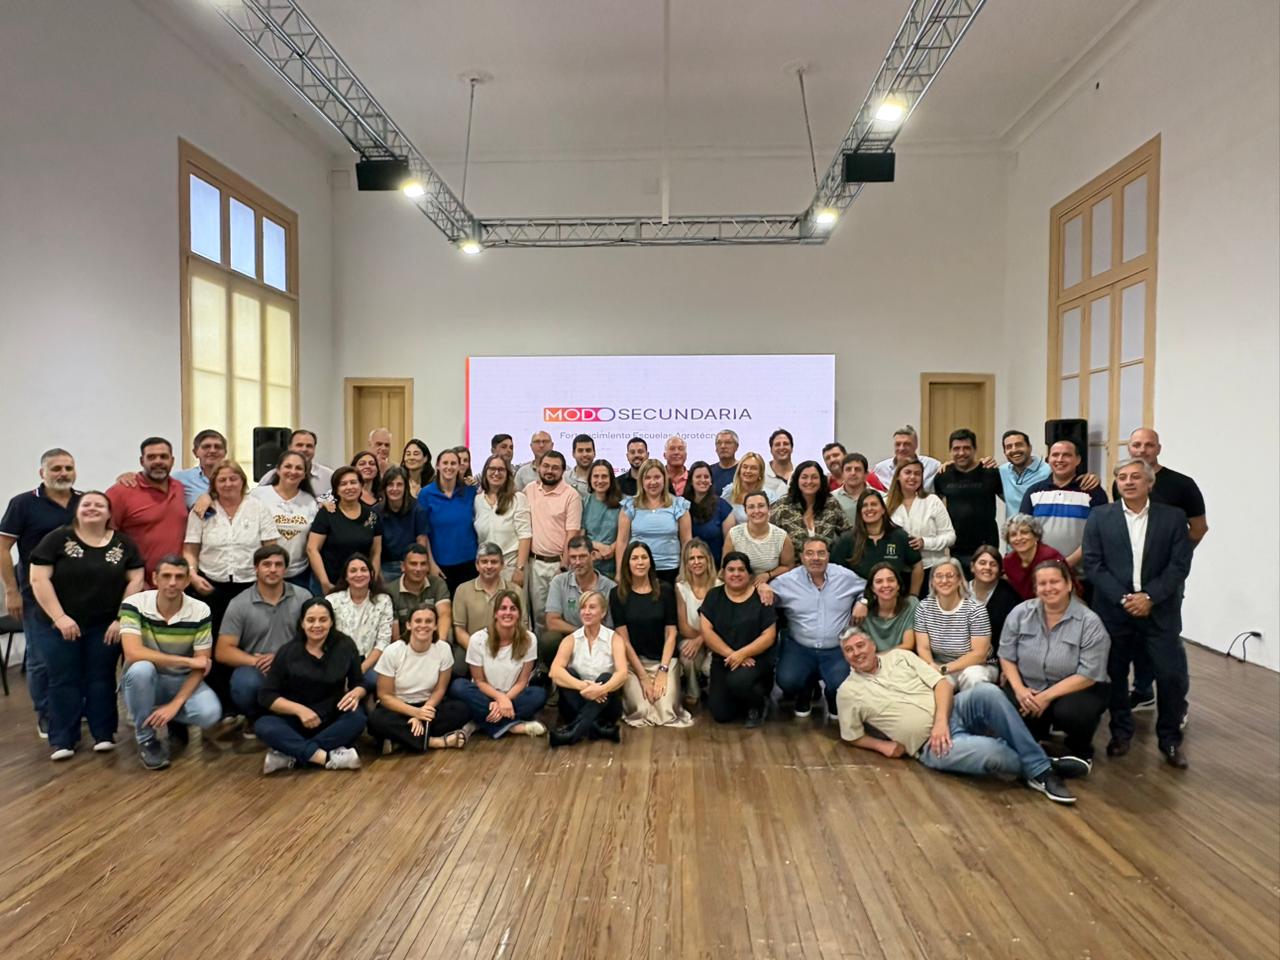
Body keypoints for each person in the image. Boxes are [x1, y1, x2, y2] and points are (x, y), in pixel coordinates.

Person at [837, 631, 1076, 804]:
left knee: (987, 691)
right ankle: (1044, 766)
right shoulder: (847, 692)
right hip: (929, 745)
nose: (857, 653)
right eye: (849, 650)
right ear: (845, 657)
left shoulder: (900, 656)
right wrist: (883, 746)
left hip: (953, 709)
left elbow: (941, 684)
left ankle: (1039, 768)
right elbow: (851, 735)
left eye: (860, 645)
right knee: (993, 752)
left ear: (872, 645)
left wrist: (941, 721)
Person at [1083, 458, 1194, 768]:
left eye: (1135, 477)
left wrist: (1149, 597)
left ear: (1149, 483)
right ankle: (1121, 733)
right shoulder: (1100, 516)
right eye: (1122, 477)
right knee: (1115, 675)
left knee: (1170, 676)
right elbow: (1093, 564)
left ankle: (1170, 739)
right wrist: (1124, 599)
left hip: (1159, 612)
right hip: (1114, 611)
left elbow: (1179, 565)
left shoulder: (1173, 518)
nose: (1128, 482)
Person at [28, 492, 145, 760]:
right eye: (87, 504)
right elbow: (38, 579)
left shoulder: (124, 543)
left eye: (99, 505)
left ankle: (103, 735)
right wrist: (60, 617)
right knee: (63, 678)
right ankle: (63, 740)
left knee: (101, 677)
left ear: (109, 513)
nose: (92, 508)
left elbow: (136, 581)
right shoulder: (57, 539)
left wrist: (121, 619)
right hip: (59, 625)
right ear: (77, 511)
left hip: (105, 625)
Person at [1114, 427, 1208, 712]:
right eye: (1136, 445)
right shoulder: (1123, 482)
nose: (1142, 450)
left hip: (1166, 578)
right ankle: (1143, 691)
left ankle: (1177, 706)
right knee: (1137, 638)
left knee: (1167, 641)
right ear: (1129, 448)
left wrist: (1176, 558)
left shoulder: (1182, 484)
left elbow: (1199, 527)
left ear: (1158, 448)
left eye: (1148, 445)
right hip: (1130, 578)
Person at [1000, 559, 1111, 777]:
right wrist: (1020, 690)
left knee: (1072, 713)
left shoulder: (1089, 622)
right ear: (1035, 588)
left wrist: (1045, 697)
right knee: (1006, 705)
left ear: (1069, 584)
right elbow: (1006, 656)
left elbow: (1089, 674)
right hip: (1029, 685)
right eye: (1042, 583)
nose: (1048, 588)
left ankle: (1081, 752)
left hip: (1075, 689)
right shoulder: (1020, 613)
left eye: (1055, 582)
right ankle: (1036, 741)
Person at [0, 447, 81, 739]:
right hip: (35, 594)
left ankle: (73, 710)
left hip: (79, 595)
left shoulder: (84, 502)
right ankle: (46, 714)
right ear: (42, 473)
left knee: (75, 656)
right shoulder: (23, 503)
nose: (63, 473)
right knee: (41, 659)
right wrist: (11, 591)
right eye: (56, 468)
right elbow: (3, 548)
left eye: (68, 468)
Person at [119, 555, 222, 771]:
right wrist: (186, 661)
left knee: (210, 714)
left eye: (179, 577)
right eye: (166, 576)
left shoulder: (201, 610)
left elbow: (201, 665)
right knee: (141, 669)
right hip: (146, 680)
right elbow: (132, 653)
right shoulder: (133, 604)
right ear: (155, 578)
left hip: (181, 679)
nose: (172, 582)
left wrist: (175, 706)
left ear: (187, 581)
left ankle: (172, 718)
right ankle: (146, 738)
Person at [255, 597, 366, 773]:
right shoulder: (287, 652)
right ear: (302, 623)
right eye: (311, 620)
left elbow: (358, 683)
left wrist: (357, 693)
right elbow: (266, 695)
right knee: (264, 725)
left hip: (332, 718)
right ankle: (326, 758)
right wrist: (300, 711)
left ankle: (292, 755)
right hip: (296, 720)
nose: (317, 625)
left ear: (331, 622)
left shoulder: (345, 646)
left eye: (323, 620)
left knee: (358, 718)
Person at [757, 536, 863, 717]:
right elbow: (766, 595)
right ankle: (805, 691)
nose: (815, 558)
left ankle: (832, 696)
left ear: (828, 556)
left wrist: (863, 601)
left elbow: (869, 588)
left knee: (841, 684)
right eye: (810, 553)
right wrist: (762, 587)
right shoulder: (786, 581)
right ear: (802, 557)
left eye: (821, 553)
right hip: (800, 648)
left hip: (837, 648)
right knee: (788, 681)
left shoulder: (846, 577)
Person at [217, 545, 311, 727]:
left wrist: (281, 659)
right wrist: (256, 661)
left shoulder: (303, 597)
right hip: (257, 668)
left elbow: (317, 639)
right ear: (256, 568)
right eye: (267, 564)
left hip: (295, 663)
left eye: (278, 564)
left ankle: (292, 717)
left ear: (285, 569)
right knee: (245, 683)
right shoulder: (239, 603)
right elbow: (223, 651)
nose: (273, 569)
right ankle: (255, 718)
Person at [183, 460, 278, 638]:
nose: (228, 484)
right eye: (222, 480)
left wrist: (267, 579)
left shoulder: (258, 508)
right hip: (210, 585)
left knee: (248, 636)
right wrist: (192, 575)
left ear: (242, 481)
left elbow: (271, 549)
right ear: (214, 484)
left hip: (250, 586)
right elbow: (190, 550)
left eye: (233, 479)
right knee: (212, 636)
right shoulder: (202, 509)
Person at [367, 603, 470, 753]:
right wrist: (414, 713)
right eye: (418, 621)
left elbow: (440, 689)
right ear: (409, 625)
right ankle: (435, 742)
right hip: (399, 707)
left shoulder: (443, 649)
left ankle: (401, 740)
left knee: (462, 710)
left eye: (429, 621)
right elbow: (384, 696)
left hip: (428, 705)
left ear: (435, 626)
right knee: (375, 720)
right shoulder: (393, 651)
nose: (423, 625)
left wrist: (422, 714)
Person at [611, 542, 691, 728]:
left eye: (644, 557)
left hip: (664, 660)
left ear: (650, 562)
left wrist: (663, 670)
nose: (640, 562)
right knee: (642, 711)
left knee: (666, 711)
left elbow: (671, 633)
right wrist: (643, 677)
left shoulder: (665, 590)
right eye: (634, 558)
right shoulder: (617, 594)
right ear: (627, 563)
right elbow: (624, 640)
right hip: (634, 663)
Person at [450, 590, 548, 738]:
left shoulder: (529, 639)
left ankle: (481, 720)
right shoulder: (478, 639)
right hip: (484, 695)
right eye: (503, 608)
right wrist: (499, 698)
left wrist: (505, 699)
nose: (508, 613)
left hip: (513, 696)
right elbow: (479, 681)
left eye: (513, 609)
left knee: (539, 695)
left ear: (519, 614)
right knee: (458, 686)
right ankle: (511, 727)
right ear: (495, 613)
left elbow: (522, 682)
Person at [698, 552, 777, 726]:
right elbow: (707, 631)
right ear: (723, 573)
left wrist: (743, 654)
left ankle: (758, 703)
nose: (736, 574)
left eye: (741, 570)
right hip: (724, 659)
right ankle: (742, 697)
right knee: (721, 714)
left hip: (755, 659)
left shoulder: (762, 596)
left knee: (739, 680)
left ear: (749, 574)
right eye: (731, 569)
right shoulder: (714, 596)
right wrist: (732, 654)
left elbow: (769, 636)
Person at [548, 590, 628, 747]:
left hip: (606, 706)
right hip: (576, 701)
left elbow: (623, 674)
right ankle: (597, 728)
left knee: (606, 677)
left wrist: (601, 689)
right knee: (568, 673)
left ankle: (572, 732)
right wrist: (583, 687)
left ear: (603, 612)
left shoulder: (614, 639)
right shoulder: (571, 639)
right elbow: (554, 672)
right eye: (583, 608)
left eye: (592, 607)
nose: (586, 612)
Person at [1020, 440, 1108, 576]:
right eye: (1055, 455)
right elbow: (1024, 532)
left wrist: (1066, 563)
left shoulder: (1093, 492)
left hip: (1082, 574)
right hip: (1042, 570)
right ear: (1048, 459)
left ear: (1078, 460)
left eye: (1067, 455)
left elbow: (1098, 534)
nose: (1060, 459)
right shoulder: (1033, 491)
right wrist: (1046, 564)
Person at [107, 437, 189, 577]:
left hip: (174, 580)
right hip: (136, 580)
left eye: (163, 456)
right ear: (142, 461)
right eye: (151, 457)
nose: (158, 461)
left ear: (172, 460)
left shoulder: (180, 488)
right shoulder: (120, 492)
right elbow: (104, 535)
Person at [912, 559, 995, 690]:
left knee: (973, 677)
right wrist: (932, 666)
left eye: (950, 576)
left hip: (976, 666)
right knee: (930, 685)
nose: (944, 580)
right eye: (939, 576)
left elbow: (979, 654)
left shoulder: (976, 609)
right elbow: (923, 648)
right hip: (940, 665)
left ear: (959, 579)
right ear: (932, 581)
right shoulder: (924, 607)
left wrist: (944, 669)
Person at [525, 450, 583, 631]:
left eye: (555, 468)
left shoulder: (571, 495)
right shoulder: (529, 490)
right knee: (539, 615)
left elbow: (572, 533)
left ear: (563, 471)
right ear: (539, 468)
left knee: (563, 614)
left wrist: (564, 566)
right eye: (546, 466)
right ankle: (542, 649)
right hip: (535, 564)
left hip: (560, 564)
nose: (550, 471)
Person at [933, 429, 1003, 576]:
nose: (961, 453)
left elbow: (1010, 499)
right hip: (956, 547)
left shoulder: (991, 473)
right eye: (956, 449)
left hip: (987, 545)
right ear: (950, 451)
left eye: (966, 448)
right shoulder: (943, 475)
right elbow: (934, 507)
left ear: (975, 449)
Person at [453, 542, 528, 675]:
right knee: (457, 668)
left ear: (502, 565)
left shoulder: (515, 591)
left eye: (494, 562)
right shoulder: (462, 590)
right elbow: (459, 630)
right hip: (473, 647)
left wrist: (503, 651)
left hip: (507, 647)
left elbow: (522, 627)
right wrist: (480, 652)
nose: (489, 566)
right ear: (477, 565)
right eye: (484, 562)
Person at [541, 536, 616, 667]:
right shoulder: (559, 582)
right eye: (573, 557)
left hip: (598, 640)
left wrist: (590, 637)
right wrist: (581, 633)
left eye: (582, 557)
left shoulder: (610, 587)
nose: (577, 562)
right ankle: (552, 675)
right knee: (549, 640)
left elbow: (610, 627)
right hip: (569, 637)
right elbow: (552, 621)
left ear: (593, 555)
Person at [307, 466, 383, 594]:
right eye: (343, 484)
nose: (349, 487)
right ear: (336, 489)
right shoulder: (327, 513)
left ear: (361, 485)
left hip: (361, 584)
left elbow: (376, 551)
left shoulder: (372, 515)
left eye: (353, 482)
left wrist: (372, 579)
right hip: (330, 583)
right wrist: (325, 582)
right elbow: (312, 549)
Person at [831, 490, 923, 596]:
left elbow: (917, 565)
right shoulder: (846, 540)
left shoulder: (899, 536)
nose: (869, 508)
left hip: (893, 600)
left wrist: (913, 596)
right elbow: (833, 572)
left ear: (883, 509)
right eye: (864, 505)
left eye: (874, 504)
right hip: (858, 600)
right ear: (860, 512)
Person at [249, 450, 318, 588]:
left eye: (299, 468)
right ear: (278, 470)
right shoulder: (258, 495)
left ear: (304, 474)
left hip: (299, 574)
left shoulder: (310, 501)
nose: (293, 471)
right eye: (288, 466)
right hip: (264, 573)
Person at [616, 460, 691, 583]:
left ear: (664, 479)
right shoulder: (629, 505)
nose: (653, 482)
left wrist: (684, 571)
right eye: (648, 478)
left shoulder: (679, 505)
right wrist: (620, 572)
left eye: (657, 477)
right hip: (637, 570)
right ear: (641, 481)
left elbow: (687, 541)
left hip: (671, 572)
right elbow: (622, 541)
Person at [327, 553, 394, 689]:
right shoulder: (332, 600)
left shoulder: (383, 600)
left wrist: (360, 670)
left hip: (371, 660)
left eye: (363, 570)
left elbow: (383, 642)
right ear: (346, 576)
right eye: (353, 571)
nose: (359, 574)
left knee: (373, 680)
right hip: (338, 659)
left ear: (371, 574)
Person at [886, 459, 955, 591]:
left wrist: (925, 542)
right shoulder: (886, 504)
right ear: (898, 476)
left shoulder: (932, 501)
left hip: (931, 569)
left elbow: (950, 536)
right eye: (908, 472)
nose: (913, 477)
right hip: (897, 571)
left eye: (917, 473)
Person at [416, 448, 477, 594]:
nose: (449, 467)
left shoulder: (470, 492)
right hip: (440, 565)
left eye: (453, 463)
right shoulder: (426, 494)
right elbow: (423, 533)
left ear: (459, 467)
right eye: (445, 463)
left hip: (470, 563)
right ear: (438, 466)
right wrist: (430, 564)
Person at [674, 538, 721, 707]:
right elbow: (683, 626)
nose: (696, 562)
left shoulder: (719, 586)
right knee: (688, 656)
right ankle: (693, 690)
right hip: (691, 635)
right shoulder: (681, 587)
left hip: (717, 638)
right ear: (686, 563)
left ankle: (714, 689)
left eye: (700, 557)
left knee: (710, 667)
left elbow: (721, 624)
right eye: (691, 558)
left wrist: (702, 639)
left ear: (708, 560)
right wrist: (697, 640)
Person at [472, 454, 531, 583]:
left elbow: (525, 536)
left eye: (501, 469)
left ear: (507, 474)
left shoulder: (518, 498)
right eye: (492, 469)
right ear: (485, 472)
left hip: (511, 568)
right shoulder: (478, 500)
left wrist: (520, 569)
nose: (496, 473)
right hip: (486, 569)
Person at [769, 460, 848, 548]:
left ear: (821, 480)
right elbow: (769, 537)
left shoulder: (830, 503)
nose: (809, 481)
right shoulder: (782, 506)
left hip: (826, 556)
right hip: (793, 557)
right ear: (797, 480)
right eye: (804, 477)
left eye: (814, 477)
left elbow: (848, 533)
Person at [723, 491, 795, 585]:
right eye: (751, 507)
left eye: (761, 506)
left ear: (768, 508)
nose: (756, 511)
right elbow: (725, 567)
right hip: (740, 584)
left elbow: (788, 567)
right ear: (745, 511)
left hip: (772, 584)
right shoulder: (733, 534)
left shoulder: (782, 537)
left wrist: (769, 575)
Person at [376, 466, 432, 583]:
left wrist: (419, 567)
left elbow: (421, 542)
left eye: (399, 485)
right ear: (384, 487)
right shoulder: (376, 512)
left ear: (406, 487)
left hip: (410, 564)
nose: (395, 489)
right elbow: (375, 548)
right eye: (390, 485)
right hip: (385, 566)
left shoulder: (418, 510)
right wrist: (377, 572)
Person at [388, 544, 452, 642]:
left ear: (428, 566)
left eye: (423, 564)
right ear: (403, 566)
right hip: (406, 644)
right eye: (413, 564)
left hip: (434, 640)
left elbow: (444, 615)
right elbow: (395, 636)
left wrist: (439, 644)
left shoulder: (438, 583)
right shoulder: (391, 590)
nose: (418, 569)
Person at [1002, 514, 1068, 600]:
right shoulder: (1009, 561)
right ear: (1008, 541)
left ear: (1036, 536)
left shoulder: (1050, 557)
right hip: (1026, 605)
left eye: (1024, 532)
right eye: (1013, 534)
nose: (1019, 538)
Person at [856, 562, 918, 652]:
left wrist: (877, 657)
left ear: (898, 585)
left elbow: (908, 645)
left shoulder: (911, 604)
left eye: (891, 580)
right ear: (872, 588)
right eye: (879, 581)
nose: (885, 585)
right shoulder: (864, 612)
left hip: (903, 657)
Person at [967, 544, 1022, 645]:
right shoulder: (959, 591)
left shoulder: (1010, 596)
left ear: (1000, 570)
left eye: (993, 564)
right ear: (972, 567)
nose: (987, 567)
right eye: (982, 563)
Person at [684, 461, 734, 563]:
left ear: (711, 480)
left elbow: (729, 543)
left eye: (706, 477)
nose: (703, 480)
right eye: (698, 477)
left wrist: (724, 568)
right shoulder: (682, 505)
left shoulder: (723, 506)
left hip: (716, 565)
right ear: (691, 481)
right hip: (690, 564)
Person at [257, 429, 332, 495]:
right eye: (299, 445)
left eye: (309, 446)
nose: (304, 449)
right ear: (289, 447)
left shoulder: (329, 477)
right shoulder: (270, 477)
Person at [581, 459, 622, 578]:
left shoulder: (623, 503)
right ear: (590, 479)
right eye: (596, 476)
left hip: (615, 567)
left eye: (604, 476)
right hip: (589, 565)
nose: (600, 480)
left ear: (611, 479)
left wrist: (611, 549)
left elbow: (626, 534)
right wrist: (598, 547)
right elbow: (580, 536)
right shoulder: (584, 502)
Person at [998, 430, 1051, 518]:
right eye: (1009, 447)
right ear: (1004, 452)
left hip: (1040, 526)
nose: (1014, 450)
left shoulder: (1048, 471)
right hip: (1012, 526)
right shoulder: (1002, 471)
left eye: (1019, 445)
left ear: (1030, 448)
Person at [872, 425, 942, 493]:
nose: (901, 448)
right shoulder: (880, 469)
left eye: (907, 444)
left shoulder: (932, 466)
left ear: (916, 445)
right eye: (898, 444)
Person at [171, 429, 228, 508]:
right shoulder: (180, 478)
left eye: (218, 447)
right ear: (195, 452)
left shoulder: (234, 478)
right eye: (206, 447)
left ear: (225, 453)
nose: (212, 450)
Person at [722, 451, 785, 521]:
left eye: (753, 468)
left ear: (760, 473)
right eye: (745, 467)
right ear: (739, 470)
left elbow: (775, 521)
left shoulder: (770, 496)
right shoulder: (729, 492)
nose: (748, 471)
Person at [831, 452, 877, 526]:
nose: (853, 473)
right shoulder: (831, 498)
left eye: (857, 469)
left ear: (866, 474)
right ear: (842, 474)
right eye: (848, 469)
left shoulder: (881, 497)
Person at [709, 430, 740, 495]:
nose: (723, 446)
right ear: (716, 448)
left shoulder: (743, 470)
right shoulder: (709, 471)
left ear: (736, 447)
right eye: (719, 443)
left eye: (728, 443)